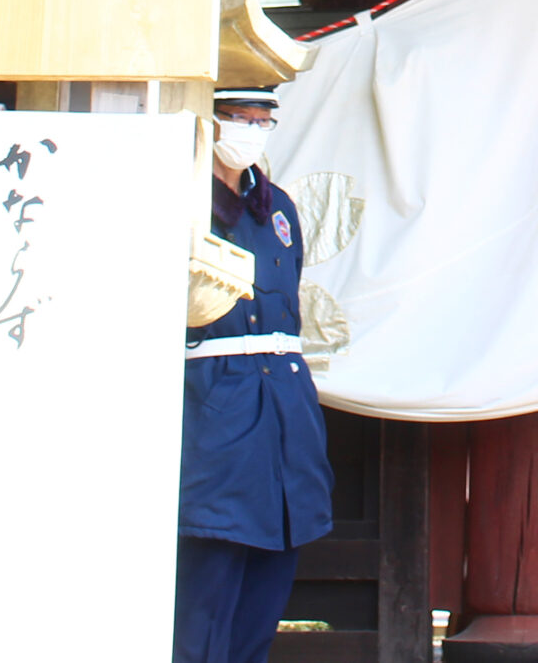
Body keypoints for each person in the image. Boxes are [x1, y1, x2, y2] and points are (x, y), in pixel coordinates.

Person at [177, 89, 335, 663]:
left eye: (261, 122)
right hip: (216, 398)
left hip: (285, 405)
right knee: (209, 573)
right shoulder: (182, 197)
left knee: (275, 562)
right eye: (237, 119)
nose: (250, 131)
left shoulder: (278, 207)